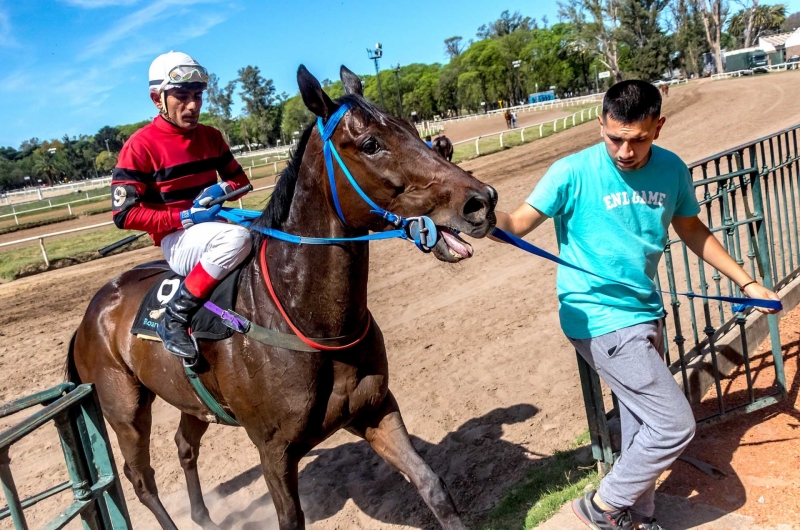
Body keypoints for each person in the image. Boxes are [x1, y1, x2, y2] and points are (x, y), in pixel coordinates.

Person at [491, 80, 780, 530]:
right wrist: (474, 211)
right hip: (598, 316)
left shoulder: (672, 170)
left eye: (638, 139)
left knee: (643, 425)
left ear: (658, 127)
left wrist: (747, 283)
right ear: (600, 124)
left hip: (646, 311)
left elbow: (692, 229)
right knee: (673, 426)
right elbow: (516, 223)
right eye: (615, 138)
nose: (625, 150)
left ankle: (638, 517)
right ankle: (603, 506)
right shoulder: (571, 171)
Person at [110, 51, 252, 359]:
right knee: (238, 238)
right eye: (182, 97)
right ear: (156, 99)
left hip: (212, 228)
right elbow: (124, 214)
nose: (193, 106)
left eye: (198, 96)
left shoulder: (211, 136)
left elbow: (240, 181)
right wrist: (185, 216)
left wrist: (219, 190)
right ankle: (175, 317)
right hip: (176, 240)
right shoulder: (139, 146)